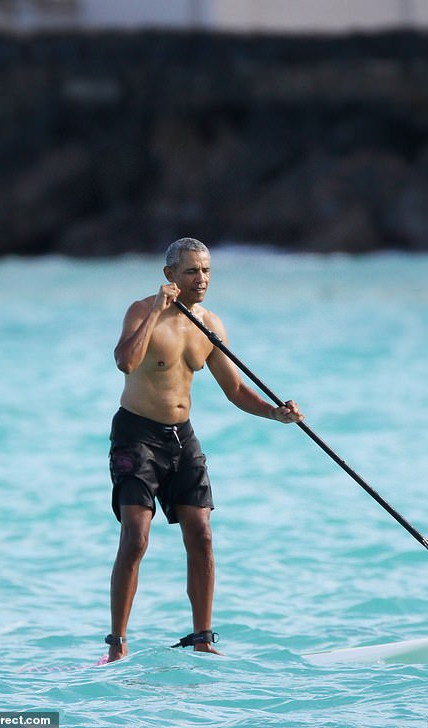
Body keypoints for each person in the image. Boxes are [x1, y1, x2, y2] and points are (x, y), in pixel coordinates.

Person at [105, 238, 303, 662]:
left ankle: (202, 639)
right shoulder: (142, 311)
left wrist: (275, 414)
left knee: (202, 535)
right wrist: (157, 311)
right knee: (136, 538)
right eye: (192, 271)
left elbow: (234, 389)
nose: (202, 279)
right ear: (170, 276)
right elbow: (125, 360)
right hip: (136, 436)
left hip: (181, 438)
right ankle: (117, 645)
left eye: (207, 271)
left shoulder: (209, 325)